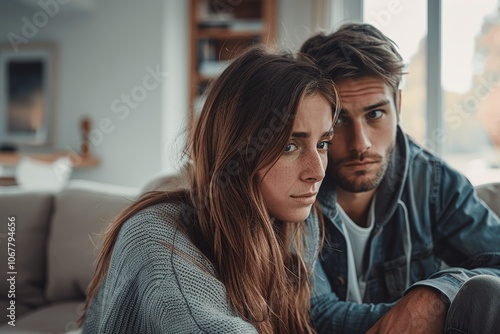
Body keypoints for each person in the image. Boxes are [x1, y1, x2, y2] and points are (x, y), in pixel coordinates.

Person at [79, 47, 340, 334]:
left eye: (323, 144)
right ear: (235, 149)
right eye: (289, 146)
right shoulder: (157, 239)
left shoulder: (299, 225)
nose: (317, 172)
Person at [299, 23, 500, 334]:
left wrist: (438, 295)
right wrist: (426, 315)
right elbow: (313, 315)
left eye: (375, 114)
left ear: (399, 105)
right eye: (339, 119)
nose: (361, 143)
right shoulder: (296, 184)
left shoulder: (433, 182)